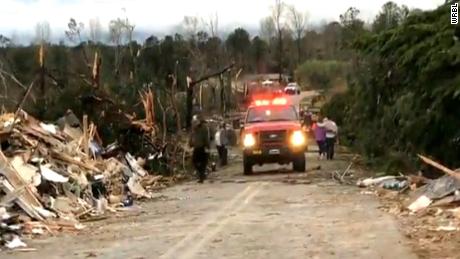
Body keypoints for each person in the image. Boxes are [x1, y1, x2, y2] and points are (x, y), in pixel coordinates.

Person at [189, 114, 210, 183]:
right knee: (195, 162)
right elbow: (191, 137)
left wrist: (207, 145)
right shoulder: (194, 129)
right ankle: (202, 174)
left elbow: (206, 138)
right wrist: (190, 144)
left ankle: (201, 176)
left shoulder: (203, 128)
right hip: (197, 148)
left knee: (203, 162)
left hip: (202, 147)